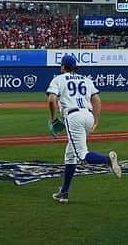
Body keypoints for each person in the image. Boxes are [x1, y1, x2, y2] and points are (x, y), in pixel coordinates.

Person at [46, 54, 122, 204]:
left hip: (74, 116)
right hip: (88, 116)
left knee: (81, 155)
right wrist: (96, 120)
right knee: (70, 155)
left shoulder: (58, 79)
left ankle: (108, 160)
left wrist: (53, 118)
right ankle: (64, 193)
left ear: (62, 67)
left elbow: (51, 99)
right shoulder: (86, 79)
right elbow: (97, 100)